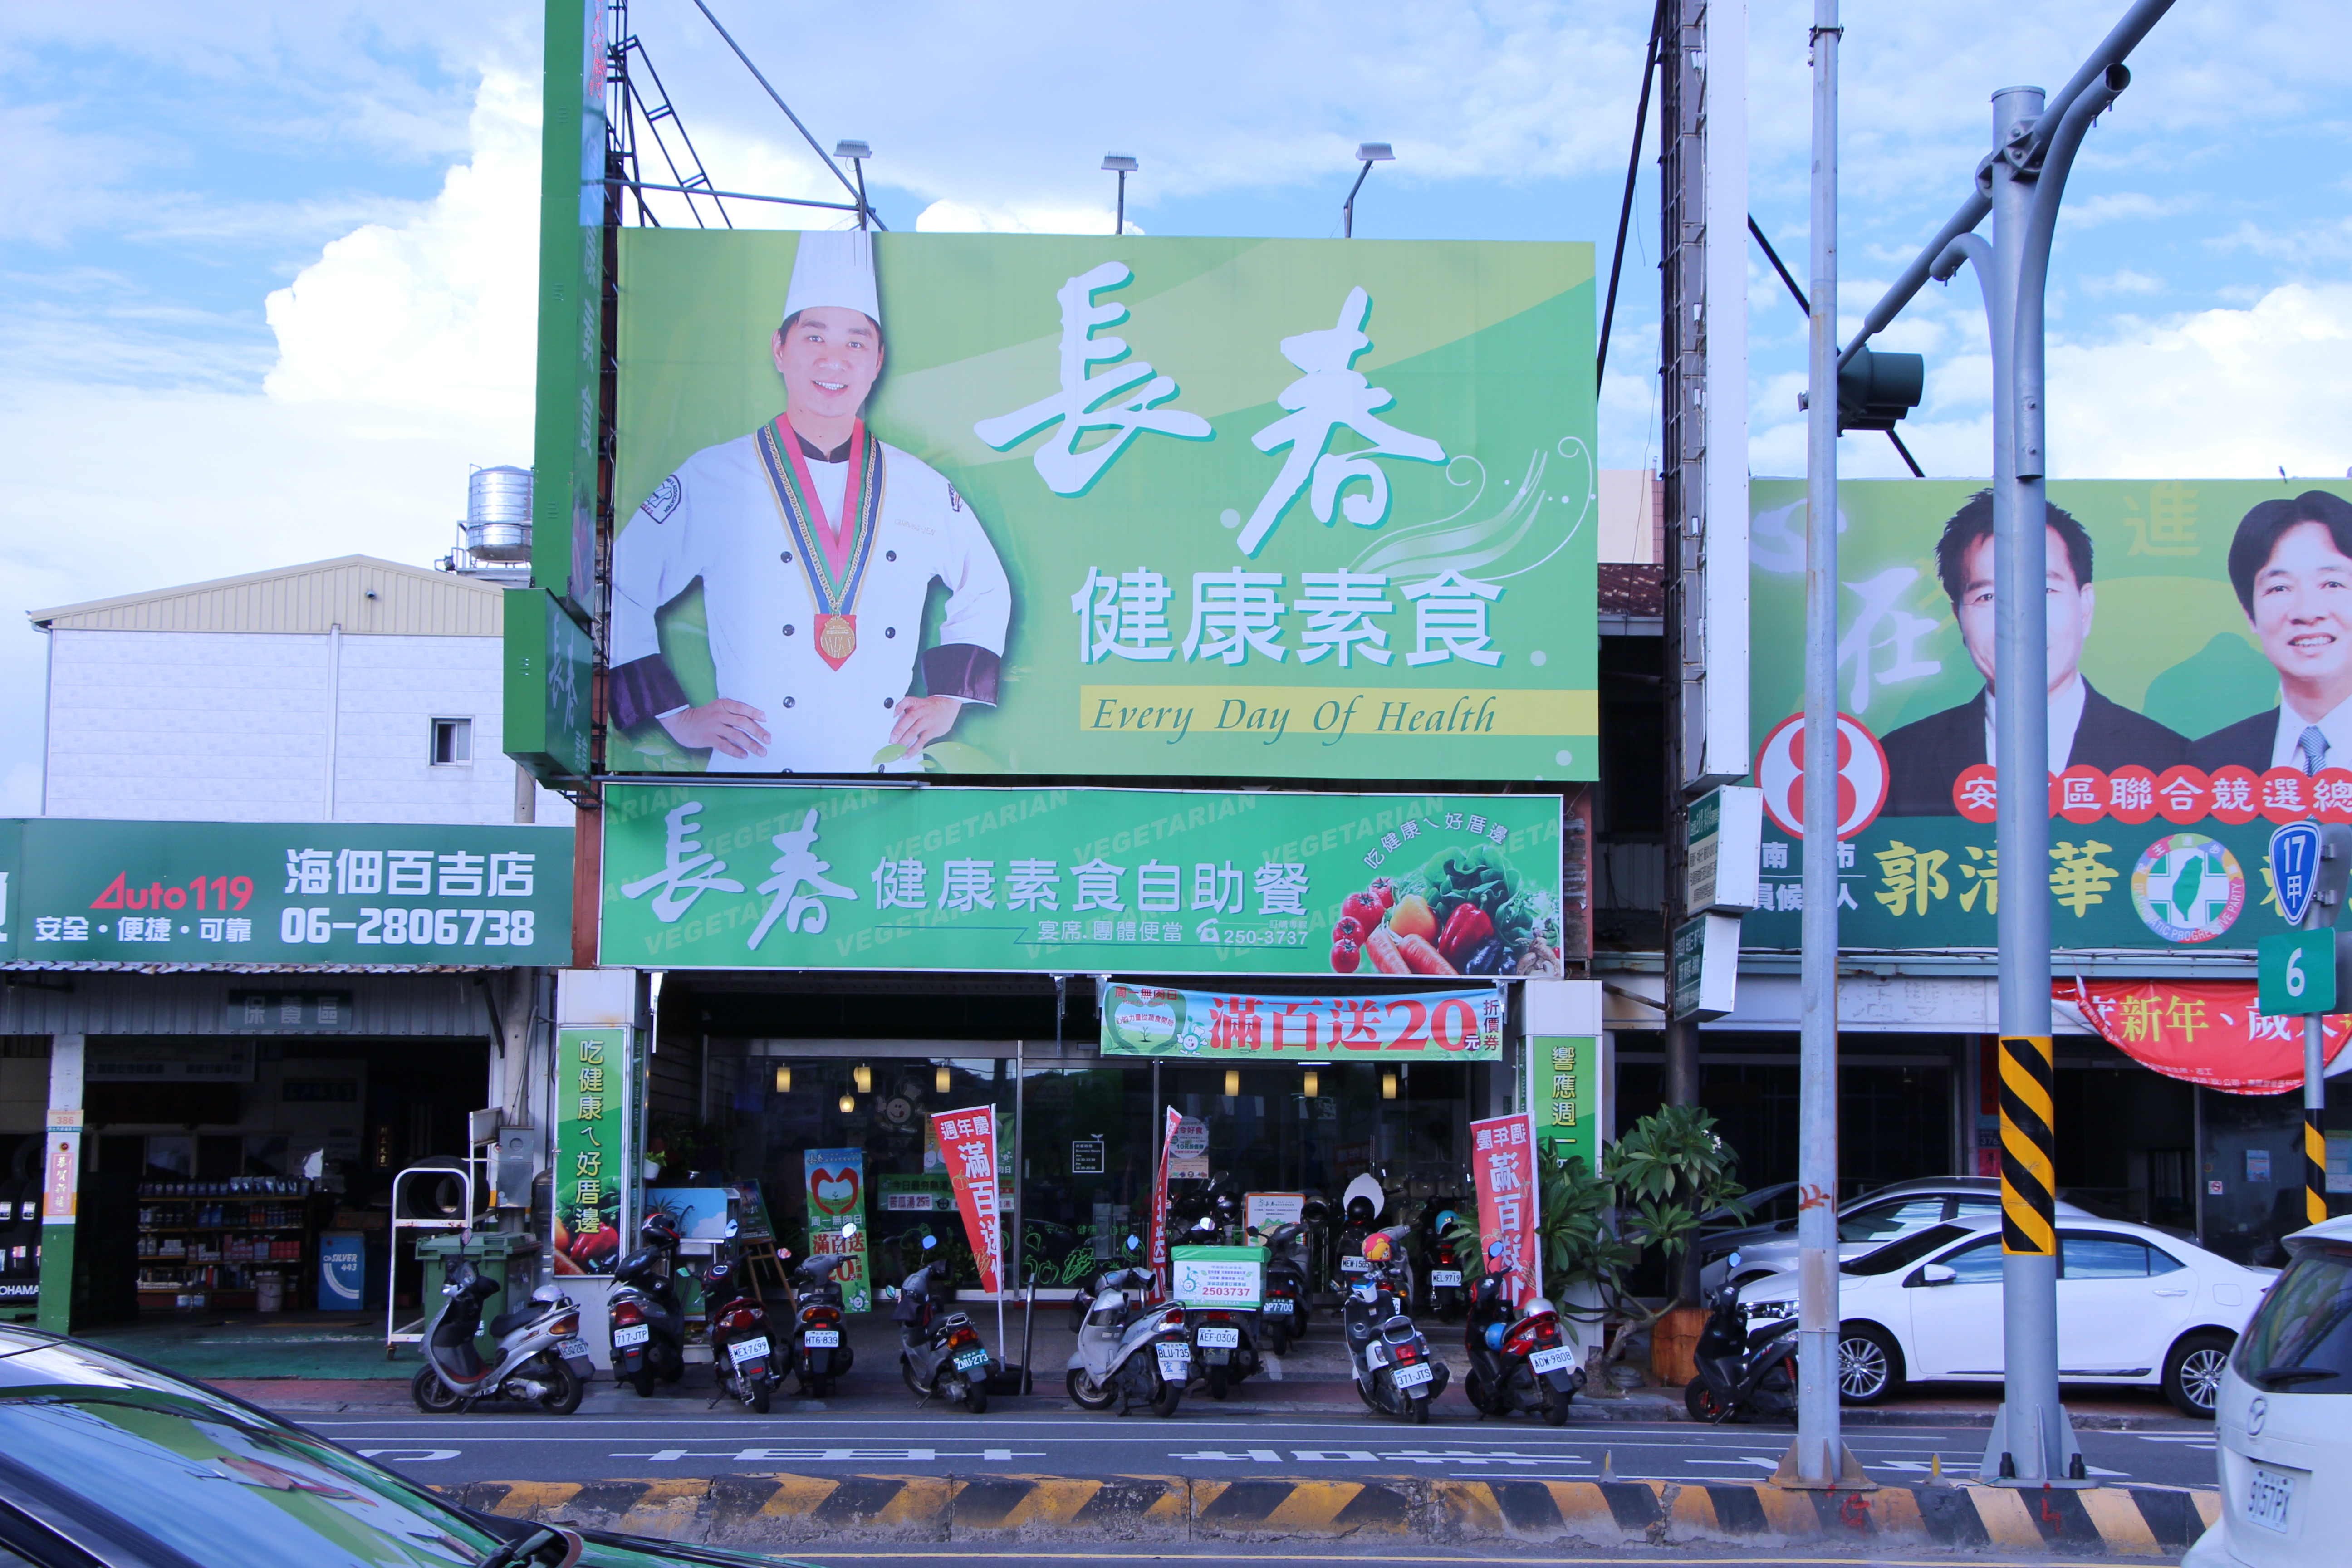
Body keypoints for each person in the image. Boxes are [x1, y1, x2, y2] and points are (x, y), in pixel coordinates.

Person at [608, 231, 1011, 773]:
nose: (835, 361)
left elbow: (985, 586)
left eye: (855, 343)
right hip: (754, 775)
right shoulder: (712, 477)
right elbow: (624, 583)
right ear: (780, 350)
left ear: (877, 362)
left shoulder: (920, 485)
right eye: (815, 338)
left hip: (885, 776)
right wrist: (677, 715)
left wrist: (949, 700)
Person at [1879, 491, 2187, 816]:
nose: (2018, 621)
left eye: (2043, 590)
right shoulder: (1899, 763)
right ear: (1959, 617)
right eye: (1988, 597)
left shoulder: (2173, 762)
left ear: (2085, 607)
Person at [2189, 491, 2352, 774]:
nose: (2307, 612)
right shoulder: (2208, 766)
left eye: (2332, 584)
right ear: (2249, 613)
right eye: (2279, 588)